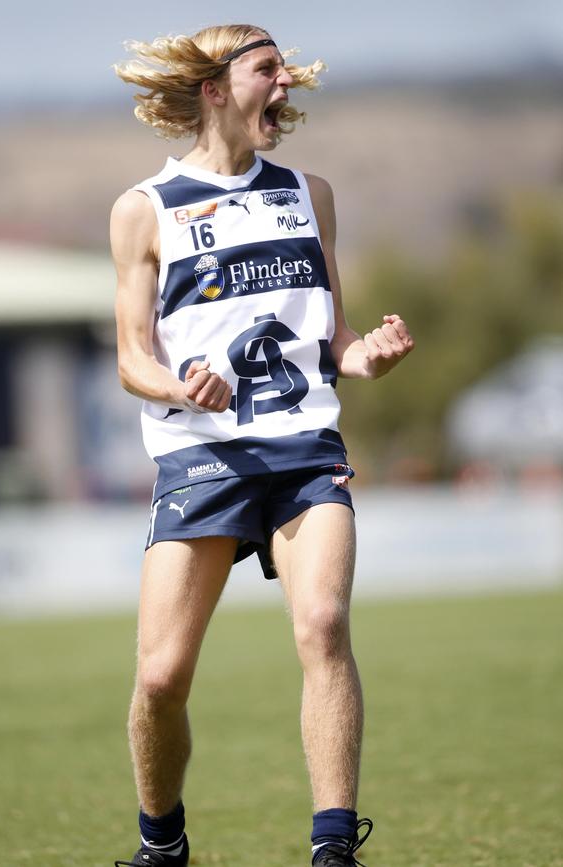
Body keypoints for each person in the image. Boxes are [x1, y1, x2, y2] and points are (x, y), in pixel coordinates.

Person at [110, 24, 414, 867]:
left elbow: (339, 345)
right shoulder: (145, 209)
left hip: (306, 448)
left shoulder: (308, 193)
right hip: (201, 456)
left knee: (323, 623)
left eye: (286, 71)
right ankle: (161, 841)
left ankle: (332, 849)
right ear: (214, 89)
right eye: (267, 71)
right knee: (163, 677)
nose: (287, 86)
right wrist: (181, 385)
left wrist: (369, 355)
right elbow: (134, 357)